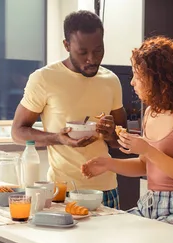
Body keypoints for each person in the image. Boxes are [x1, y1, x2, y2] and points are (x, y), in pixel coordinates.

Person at [81, 36, 173, 232]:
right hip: (150, 205)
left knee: (140, 238)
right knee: (109, 231)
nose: (132, 83)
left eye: (137, 77)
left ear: (158, 80)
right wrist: (108, 164)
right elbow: (144, 166)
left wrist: (147, 149)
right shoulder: (150, 113)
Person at [11, 10, 127, 208]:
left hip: (106, 190)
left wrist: (110, 135)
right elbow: (17, 132)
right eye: (83, 52)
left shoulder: (111, 80)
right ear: (66, 45)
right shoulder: (44, 78)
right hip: (62, 192)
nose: (92, 58)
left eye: (98, 50)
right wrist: (57, 138)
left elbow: (121, 141)